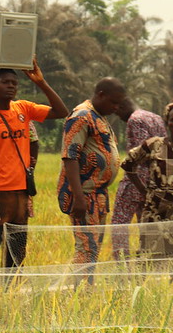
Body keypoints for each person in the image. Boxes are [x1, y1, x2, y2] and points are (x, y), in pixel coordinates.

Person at [0, 60, 68, 274]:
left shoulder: (23, 108)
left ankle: (9, 294)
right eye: (5, 82)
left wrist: (41, 82)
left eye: (14, 83)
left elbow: (61, 111)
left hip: (21, 195)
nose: (11, 86)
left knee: (16, 253)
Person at [57, 78, 126, 284]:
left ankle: (87, 288)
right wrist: (79, 198)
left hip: (98, 195)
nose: (116, 108)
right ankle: (79, 292)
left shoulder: (99, 117)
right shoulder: (81, 116)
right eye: (113, 102)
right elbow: (70, 157)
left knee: (94, 246)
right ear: (101, 94)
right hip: (84, 194)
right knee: (86, 246)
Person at [111, 97, 165, 259]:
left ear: (122, 105)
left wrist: (138, 184)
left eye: (117, 111)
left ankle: (123, 265)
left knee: (119, 224)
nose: (118, 115)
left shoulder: (135, 120)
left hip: (135, 182)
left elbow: (140, 152)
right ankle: (146, 264)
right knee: (147, 226)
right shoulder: (156, 117)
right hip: (155, 181)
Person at [120, 102, 173, 260]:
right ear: (166, 121)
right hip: (155, 212)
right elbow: (128, 164)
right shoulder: (154, 144)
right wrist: (143, 190)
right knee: (149, 257)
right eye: (171, 119)